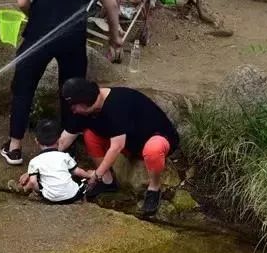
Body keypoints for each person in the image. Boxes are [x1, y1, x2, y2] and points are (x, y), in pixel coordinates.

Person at [1, 0, 122, 166]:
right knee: (71, 89)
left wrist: (34, 12)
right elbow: (111, 4)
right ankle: (66, 147)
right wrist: (114, 38)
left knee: (24, 87)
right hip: (72, 37)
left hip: (39, 36)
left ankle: (14, 147)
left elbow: (22, 0)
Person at [59, 77, 180, 216]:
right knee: (90, 135)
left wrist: (95, 175)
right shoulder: (81, 111)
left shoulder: (117, 104)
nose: (72, 110)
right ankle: (107, 181)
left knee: (153, 149)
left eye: (74, 106)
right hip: (129, 142)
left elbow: (117, 146)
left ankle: (154, 188)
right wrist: (43, 164)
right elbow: (64, 140)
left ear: (85, 102)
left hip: (155, 137)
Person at [17, 119, 95, 204]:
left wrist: (38, 191)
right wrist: (89, 175)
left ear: (36, 141)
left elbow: (33, 181)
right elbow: (78, 172)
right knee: (81, 181)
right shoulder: (64, 156)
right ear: (58, 140)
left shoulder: (35, 161)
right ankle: (82, 200)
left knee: (38, 178)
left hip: (50, 197)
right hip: (72, 196)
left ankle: (28, 191)